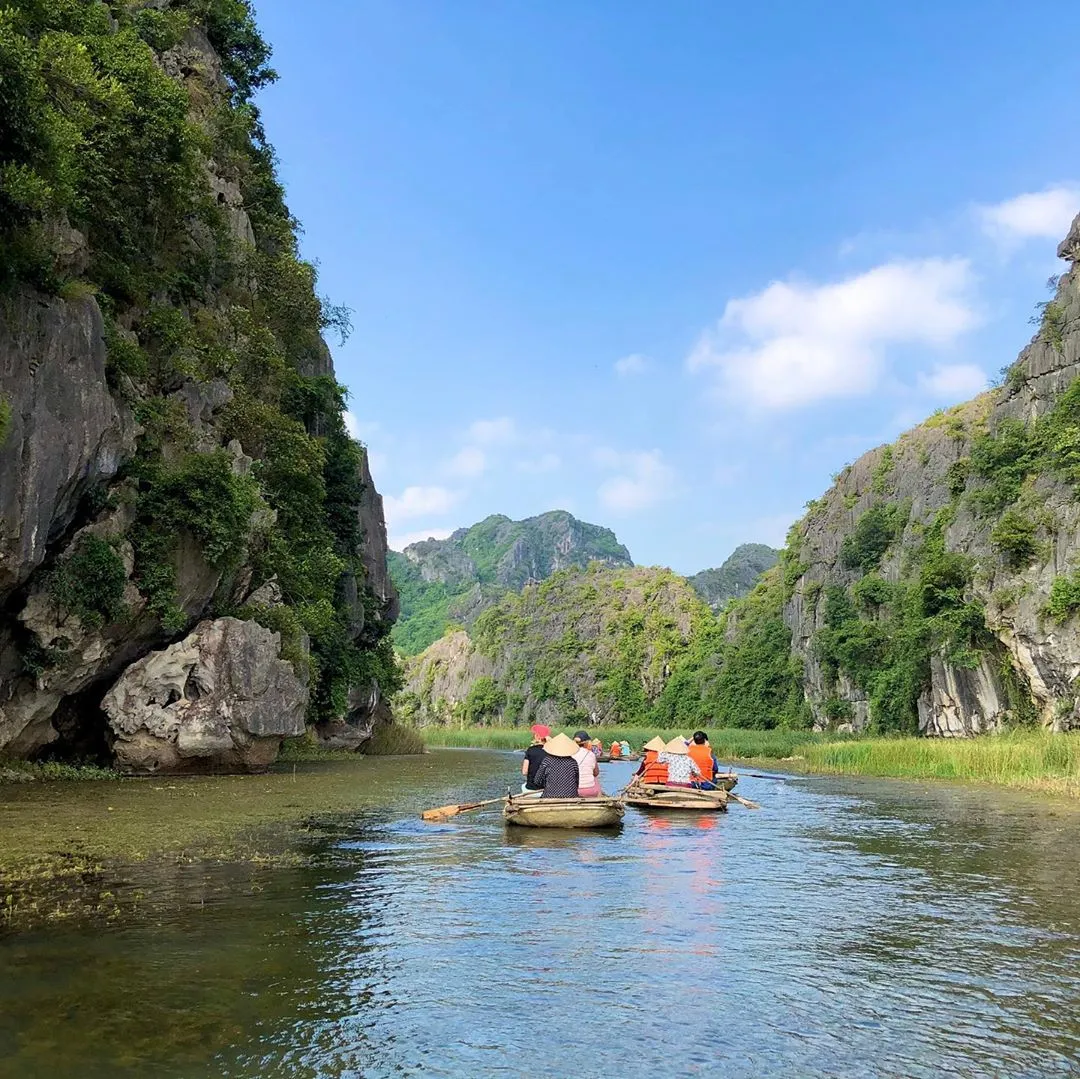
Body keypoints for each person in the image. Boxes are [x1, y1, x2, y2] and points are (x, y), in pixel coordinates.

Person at [531, 732, 584, 798]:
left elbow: (537, 781)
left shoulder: (547, 760)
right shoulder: (573, 762)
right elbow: (576, 783)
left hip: (550, 796)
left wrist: (547, 783)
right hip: (571, 797)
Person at [520, 723, 550, 794]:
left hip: (531, 789)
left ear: (537, 736)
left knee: (523, 786)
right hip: (546, 789)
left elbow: (524, 772)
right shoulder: (550, 751)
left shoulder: (530, 750)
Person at [573, 730, 602, 797]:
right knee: (595, 779)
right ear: (586, 743)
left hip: (573, 790)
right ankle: (598, 799)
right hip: (590, 791)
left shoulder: (570, 754)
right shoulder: (591, 754)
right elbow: (596, 773)